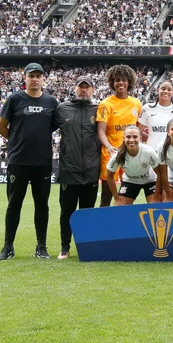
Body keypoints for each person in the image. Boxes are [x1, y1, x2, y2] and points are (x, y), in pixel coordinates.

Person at [0, 63, 59, 261]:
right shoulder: (14, 98)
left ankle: (41, 247)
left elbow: (54, 127)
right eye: (31, 75)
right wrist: (15, 141)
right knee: (14, 204)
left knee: (42, 205)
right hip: (18, 161)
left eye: (38, 75)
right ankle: (8, 247)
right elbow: (0, 126)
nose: (35, 79)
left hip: (42, 163)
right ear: (25, 78)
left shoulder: (51, 102)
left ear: (43, 79)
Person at [53, 75, 99, 260]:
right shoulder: (62, 109)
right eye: (81, 86)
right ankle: (65, 247)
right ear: (75, 87)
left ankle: (85, 246)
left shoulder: (99, 109)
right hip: (69, 171)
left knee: (87, 212)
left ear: (93, 90)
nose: (84, 90)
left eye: (87, 87)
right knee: (67, 211)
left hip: (91, 170)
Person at [96, 65, 142, 207]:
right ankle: (103, 224)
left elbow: (139, 129)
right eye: (117, 80)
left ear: (129, 82)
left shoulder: (136, 103)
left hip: (130, 153)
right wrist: (109, 147)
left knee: (127, 192)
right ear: (112, 83)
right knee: (106, 194)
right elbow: (100, 131)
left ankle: (123, 223)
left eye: (123, 80)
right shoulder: (105, 104)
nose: (120, 83)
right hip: (110, 153)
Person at [105, 125, 161, 205]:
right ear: (124, 138)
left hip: (151, 181)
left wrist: (156, 197)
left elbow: (160, 173)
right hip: (130, 181)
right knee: (119, 207)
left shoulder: (149, 152)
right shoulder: (118, 155)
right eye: (128, 137)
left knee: (155, 206)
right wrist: (116, 198)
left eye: (135, 137)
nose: (131, 140)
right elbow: (109, 176)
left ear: (140, 138)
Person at [138, 80, 173, 151]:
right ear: (158, 90)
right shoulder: (147, 108)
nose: (166, 91)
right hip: (152, 152)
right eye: (163, 89)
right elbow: (138, 131)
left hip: (172, 153)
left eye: (169, 90)